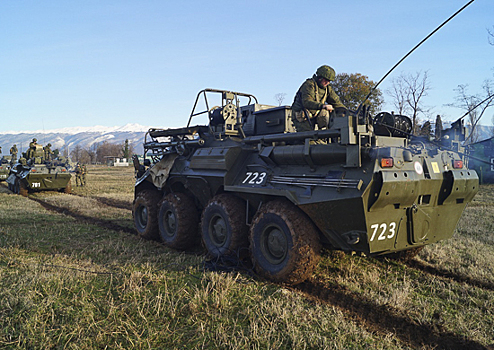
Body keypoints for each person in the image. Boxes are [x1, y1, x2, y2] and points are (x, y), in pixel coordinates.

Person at [291, 65, 346, 132]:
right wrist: (323, 106)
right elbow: (307, 102)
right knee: (307, 139)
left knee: (325, 114)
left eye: (329, 81)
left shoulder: (327, 89)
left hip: (314, 116)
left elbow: (337, 103)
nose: (327, 82)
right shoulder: (309, 85)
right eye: (326, 80)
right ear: (320, 77)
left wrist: (346, 112)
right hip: (302, 117)